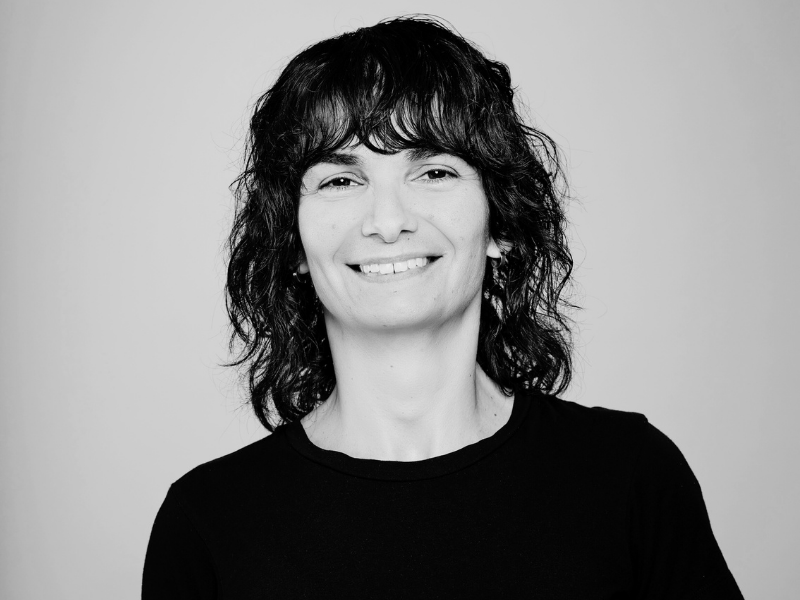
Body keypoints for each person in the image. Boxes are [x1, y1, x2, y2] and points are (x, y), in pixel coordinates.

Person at [142, 16, 743, 599]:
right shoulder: (207, 523)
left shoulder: (629, 475)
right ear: (293, 243)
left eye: (432, 171)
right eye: (340, 181)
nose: (387, 222)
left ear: (500, 222)